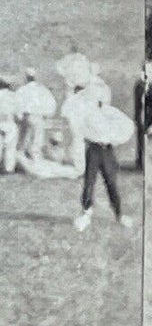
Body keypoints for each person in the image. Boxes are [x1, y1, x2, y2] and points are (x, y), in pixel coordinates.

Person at [71, 82, 134, 231]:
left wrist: (114, 139)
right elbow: (81, 128)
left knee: (111, 182)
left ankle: (119, 215)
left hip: (107, 151)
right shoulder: (86, 113)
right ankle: (86, 214)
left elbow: (126, 125)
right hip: (93, 150)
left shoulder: (110, 112)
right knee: (89, 182)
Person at [14, 70, 56, 161]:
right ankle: (35, 157)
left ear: (26, 78)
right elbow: (51, 102)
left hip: (27, 116)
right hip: (39, 117)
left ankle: (23, 157)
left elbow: (17, 103)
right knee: (37, 138)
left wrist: (19, 116)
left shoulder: (23, 89)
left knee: (25, 137)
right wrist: (47, 115)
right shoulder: (42, 89)